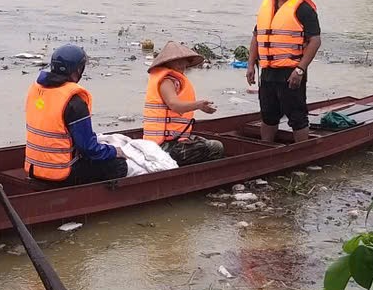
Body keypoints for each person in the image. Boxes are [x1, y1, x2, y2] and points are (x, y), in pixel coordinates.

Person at [24, 44, 128, 185]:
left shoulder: (36, 91)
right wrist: (113, 151)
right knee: (118, 165)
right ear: (78, 70)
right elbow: (88, 148)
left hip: (34, 170)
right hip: (60, 174)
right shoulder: (74, 102)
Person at [246, 0, 322, 143]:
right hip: (268, 71)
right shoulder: (268, 5)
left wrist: (300, 69)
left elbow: (315, 40)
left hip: (291, 71)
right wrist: (250, 64)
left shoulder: (303, 8)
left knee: (296, 114)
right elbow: (257, 36)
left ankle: (302, 152)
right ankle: (266, 148)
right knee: (268, 112)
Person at [142, 41, 225, 166]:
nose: (182, 64)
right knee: (216, 147)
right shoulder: (166, 81)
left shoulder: (175, 80)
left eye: (184, 61)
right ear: (168, 63)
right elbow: (174, 104)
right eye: (177, 61)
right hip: (162, 147)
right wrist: (199, 105)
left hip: (174, 140)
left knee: (203, 142)